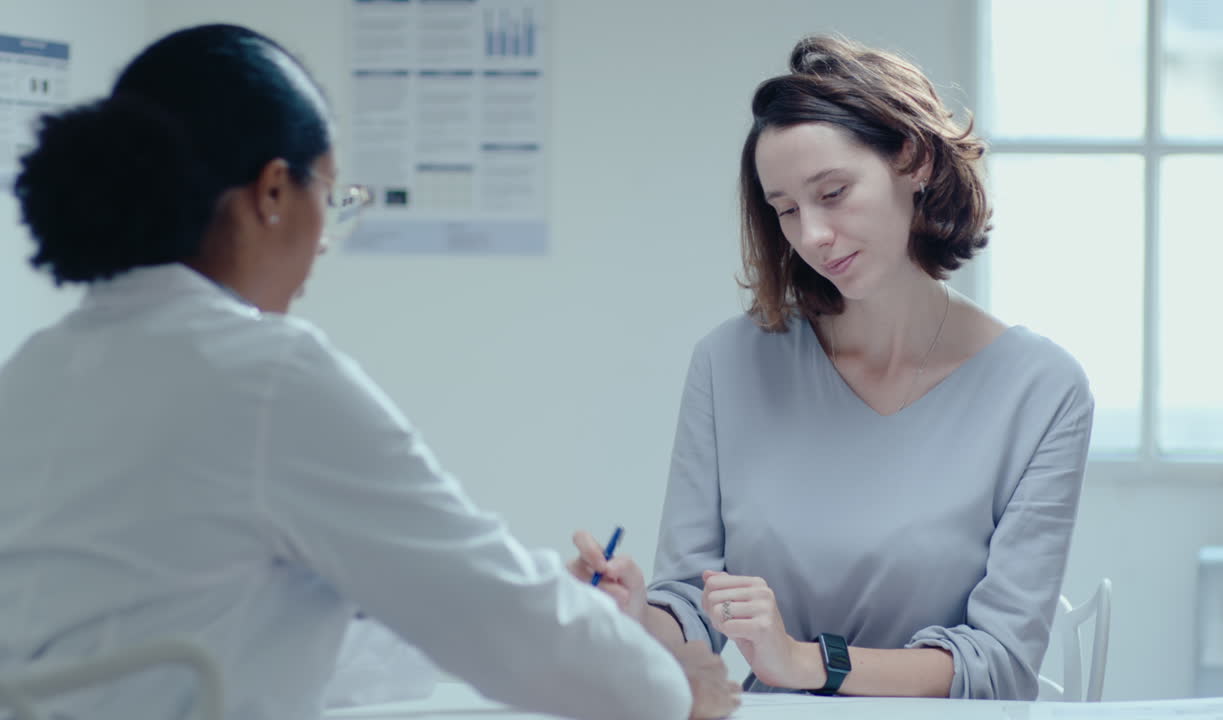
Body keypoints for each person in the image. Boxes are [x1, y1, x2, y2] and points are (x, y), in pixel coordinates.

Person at [0, 24, 739, 720]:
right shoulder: (269, 376)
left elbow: (255, 633)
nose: (325, 242)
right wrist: (666, 681)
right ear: (273, 193)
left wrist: (567, 618)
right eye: (332, 197)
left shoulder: (36, 372)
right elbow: (493, 612)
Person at [574, 33, 1094, 701]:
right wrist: (636, 616)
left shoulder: (1042, 389)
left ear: (913, 160)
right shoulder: (729, 364)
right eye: (787, 210)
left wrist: (807, 661)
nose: (812, 235)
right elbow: (696, 605)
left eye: (834, 192)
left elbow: (998, 663)